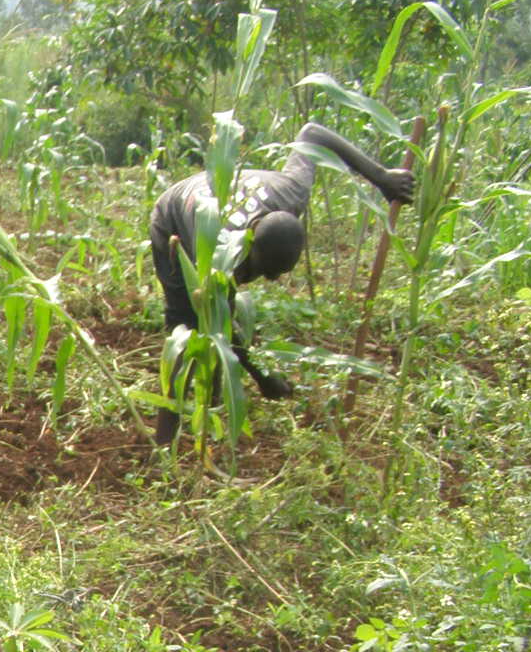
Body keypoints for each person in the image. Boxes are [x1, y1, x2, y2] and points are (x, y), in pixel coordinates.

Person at [148, 120, 415, 447]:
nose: (267, 280)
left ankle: (211, 413)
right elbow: (222, 323)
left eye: (276, 274)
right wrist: (262, 377)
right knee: (185, 325)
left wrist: (382, 178)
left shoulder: (293, 192)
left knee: (214, 323)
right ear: (249, 244)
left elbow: (312, 133)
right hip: (173, 219)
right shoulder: (224, 248)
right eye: (262, 271)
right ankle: (164, 439)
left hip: (219, 198)